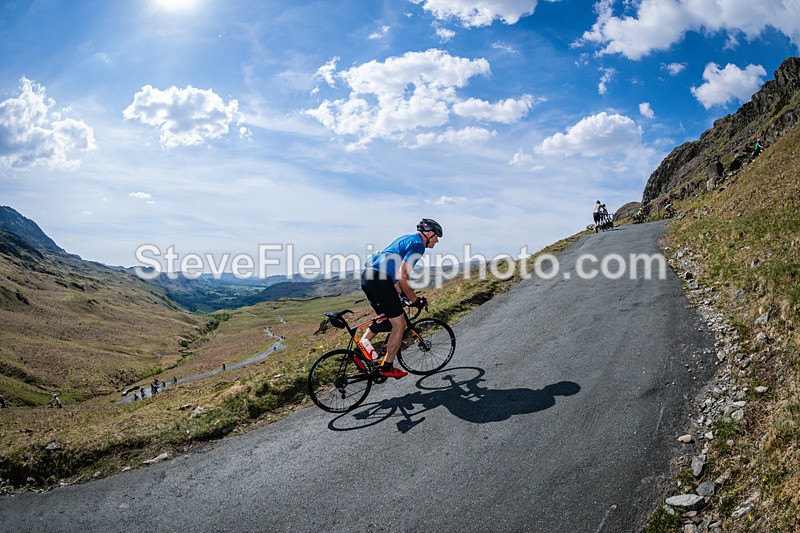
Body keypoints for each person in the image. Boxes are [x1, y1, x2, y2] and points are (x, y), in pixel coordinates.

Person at [360, 218, 442, 379]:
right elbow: (402, 276)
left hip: (368, 278)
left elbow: (396, 279)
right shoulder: (418, 245)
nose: (437, 241)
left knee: (385, 319)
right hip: (380, 280)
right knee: (400, 324)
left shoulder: (405, 239)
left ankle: (361, 349)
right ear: (429, 234)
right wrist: (414, 300)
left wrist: (403, 294)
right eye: (436, 237)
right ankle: (387, 367)